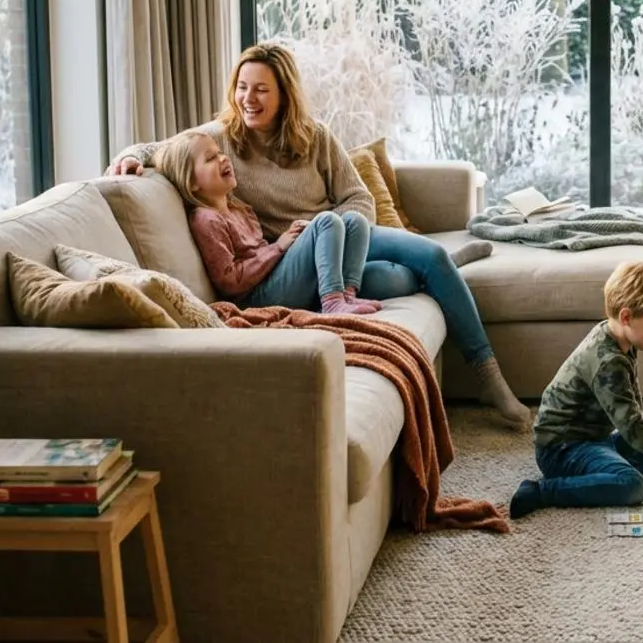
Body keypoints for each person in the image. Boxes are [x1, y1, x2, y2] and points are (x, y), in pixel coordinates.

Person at [107, 43, 529, 430]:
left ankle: (490, 378)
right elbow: (163, 148)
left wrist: (338, 241)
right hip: (290, 259)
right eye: (242, 87)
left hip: (340, 238)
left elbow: (357, 199)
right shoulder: (222, 139)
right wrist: (129, 157)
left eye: (261, 90)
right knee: (403, 277)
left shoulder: (315, 136)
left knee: (429, 258)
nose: (247, 99)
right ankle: (432, 273)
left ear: (284, 94)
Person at [508, 261, 643, 519]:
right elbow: (633, 427)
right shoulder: (609, 362)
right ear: (627, 317)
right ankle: (541, 491)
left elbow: (630, 419)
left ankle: (605, 467)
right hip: (562, 448)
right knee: (633, 485)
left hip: (595, 437)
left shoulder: (617, 333)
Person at [152, 129, 382, 315]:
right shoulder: (206, 219)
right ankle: (332, 303)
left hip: (274, 279)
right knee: (326, 222)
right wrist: (279, 247)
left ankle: (346, 295)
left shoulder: (239, 209)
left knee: (354, 220)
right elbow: (230, 280)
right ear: (191, 182)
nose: (223, 158)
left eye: (220, 152)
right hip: (257, 298)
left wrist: (292, 244)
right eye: (211, 158)